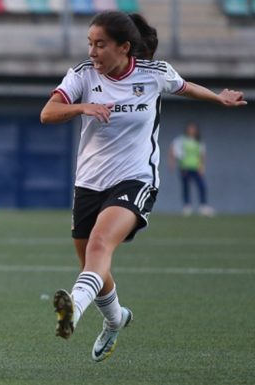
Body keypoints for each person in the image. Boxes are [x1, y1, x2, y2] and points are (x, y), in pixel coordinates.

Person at [40, 11, 245, 363]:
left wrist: (218, 97)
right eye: (89, 43)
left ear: (124, 47)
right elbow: (47, 113)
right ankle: (116, 319)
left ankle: (73, 307)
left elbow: (185, 87)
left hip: (136, 180)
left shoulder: (154, 74)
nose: (92, 51)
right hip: (88, 183)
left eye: (100, 44)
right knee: (92, 263)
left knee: (101, 245)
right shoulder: (82, 76)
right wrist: (83, 107)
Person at [169, 122, 213, 216]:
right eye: (190, 128)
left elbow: (202, 154)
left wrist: (202, 165)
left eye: (193, 129)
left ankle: (203, 206)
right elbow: (173, 149)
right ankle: (187, 206)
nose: (191, 130)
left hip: (196, 167)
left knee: (202, 186)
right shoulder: (181, 140)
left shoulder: (198, 141)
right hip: (185, 167)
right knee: (186, 187)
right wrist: (172, 162)